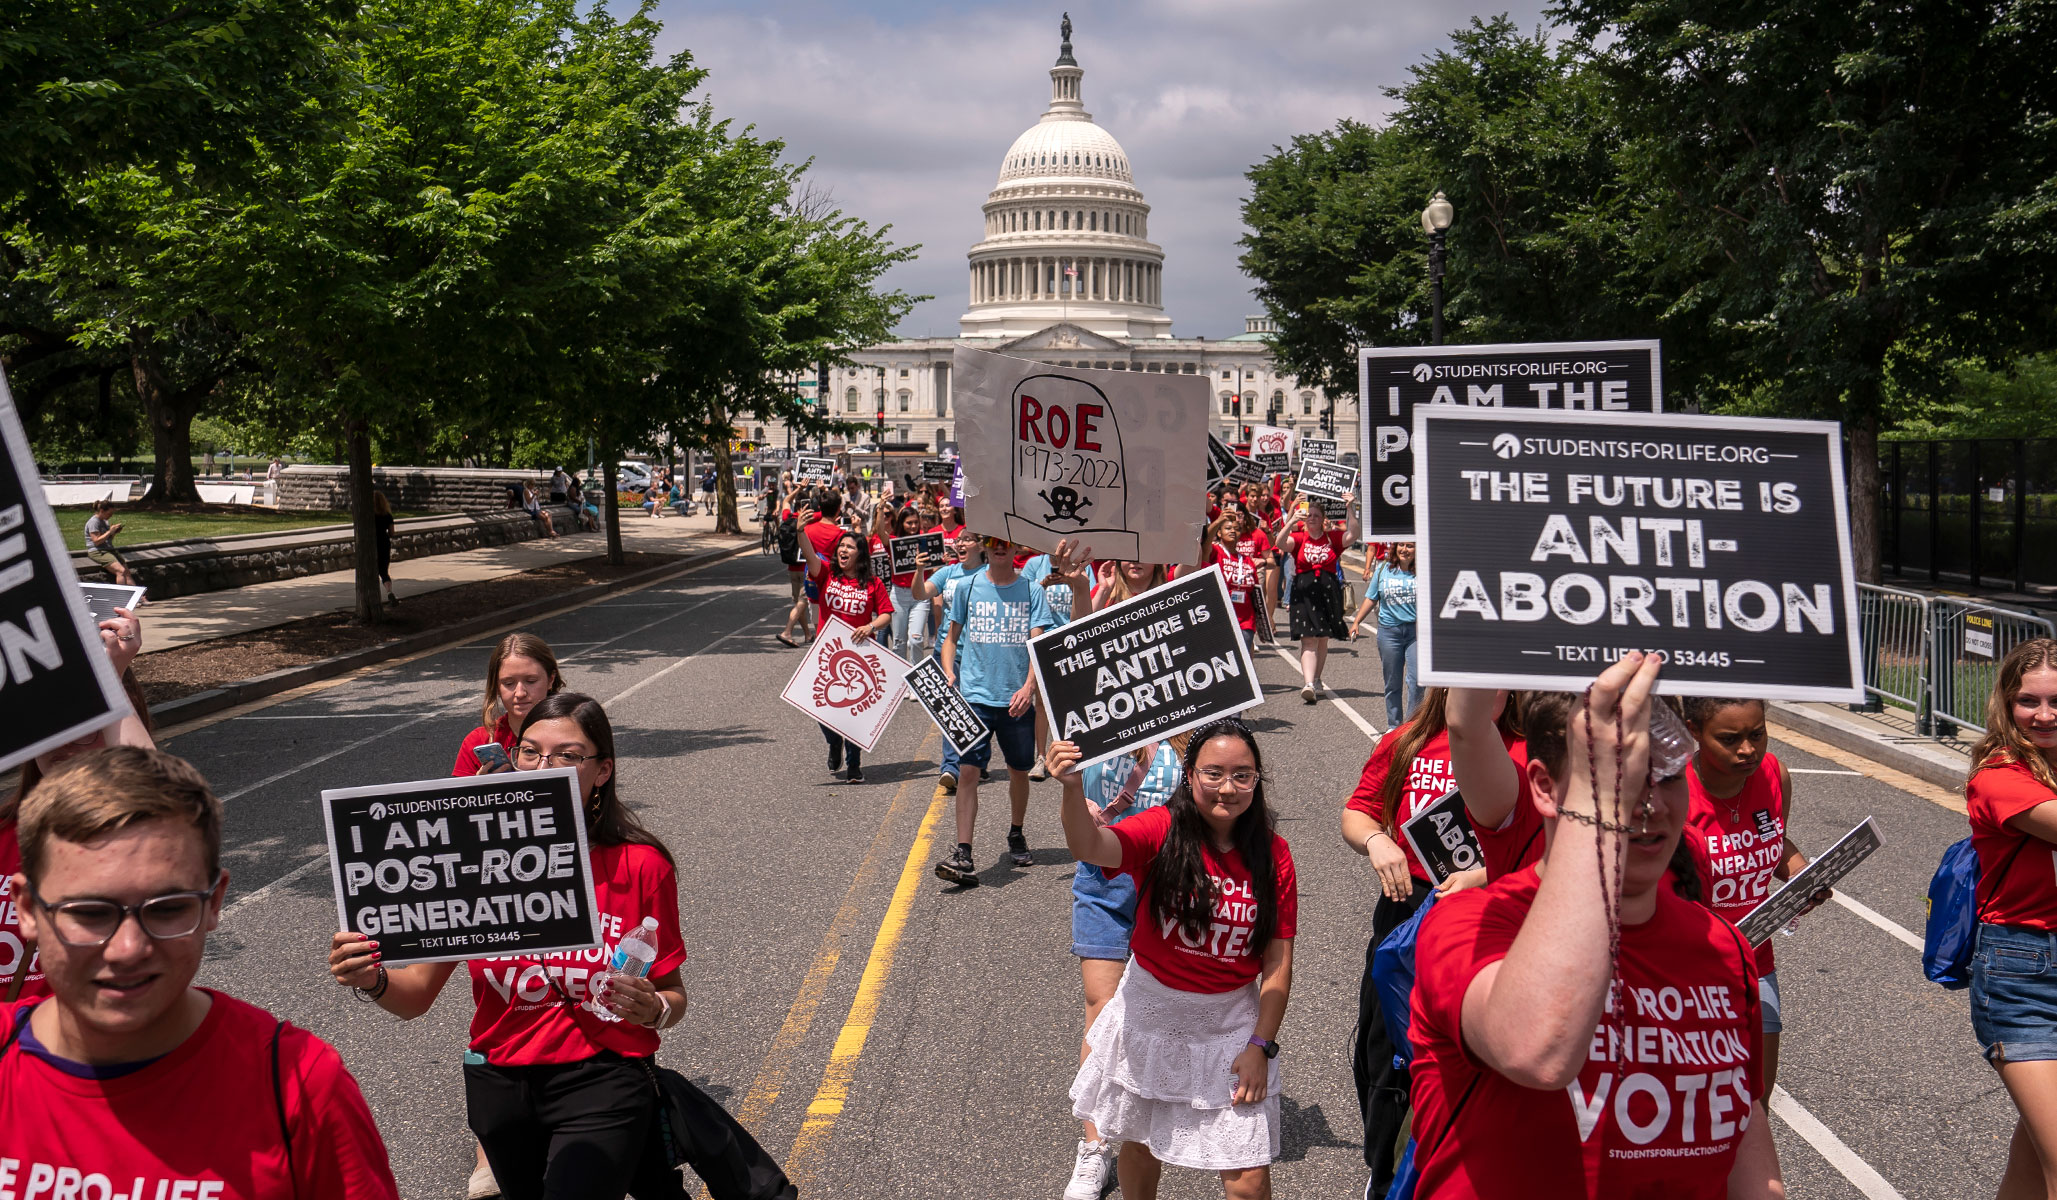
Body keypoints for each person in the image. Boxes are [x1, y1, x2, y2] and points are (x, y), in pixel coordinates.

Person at [1408, 654, 1782, 1199]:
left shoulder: (1721, 946)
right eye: (1618, 778)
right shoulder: (1473, 924)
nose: (1648, 804)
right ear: (1544, 788)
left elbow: (1743, 1122)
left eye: (1667, 776)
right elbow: (1538, 1051)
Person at [328, 694, 692, 1200]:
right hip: (500, 1087)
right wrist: (371, 978)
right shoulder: (474, 864)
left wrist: (654, 1009)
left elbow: (673, 995)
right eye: (530, 752)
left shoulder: (641, 865)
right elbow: (414, 997)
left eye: (568, 755)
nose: (544, 768)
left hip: (603, 1077)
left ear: (602, 770)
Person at [6, 746, 400, 1199]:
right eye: (90, 912)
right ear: (28, 909)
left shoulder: (299, 1088)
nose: (128, 949)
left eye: (167, 909)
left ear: (214, 902)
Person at [1054, 720, 1297, 1200]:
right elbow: (1091, 846)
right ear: (1189, 775)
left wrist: (1260, 1044)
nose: (1227, 788)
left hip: (1230, 1025)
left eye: (1242, 775)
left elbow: (1277, 963)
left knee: (1248, 1180)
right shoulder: (1161, 828)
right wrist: (1071, 788)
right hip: (1151, 1017)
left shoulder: (1274, 854)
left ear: (1257, 780)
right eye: (1213, 773)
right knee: (1142, 1146)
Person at [1340, 687, 1524, 1196]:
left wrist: (1485, 875)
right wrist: (1377, 840)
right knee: (1383, 1054)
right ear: (1445, 683)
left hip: (1490, 922)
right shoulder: (1406, 742)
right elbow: (1357, 812)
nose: (1485, 690)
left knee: (1463, 1061)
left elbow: (1550, 846)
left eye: (1497, 680)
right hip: (1407, 911)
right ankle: (1383, 1172)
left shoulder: (1527, 751)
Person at [3, 607, 155, 1003]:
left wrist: (111, 675)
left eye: (91, 723)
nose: (70, 742)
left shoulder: (126, 836)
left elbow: (152, 797)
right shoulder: (4, 830)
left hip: (83, 1036)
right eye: (55, 724)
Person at [1060, 734, 1188, 1199]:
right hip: (1105, 875)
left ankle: (1157, 1125)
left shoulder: (1194, 725)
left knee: (1168, 1009)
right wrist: (1072, 792)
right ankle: (1095, 1147)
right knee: (1102, 1006)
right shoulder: (1093, 720)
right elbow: (1074, 806)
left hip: (1172, 877)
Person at [1684, 695, 1826, 1097]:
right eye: (1730, 739)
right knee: (1697, 1102)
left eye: (1757, 734)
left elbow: (1773, 842)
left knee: (1754, 1101)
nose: (1748, 749)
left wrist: (1801, 875)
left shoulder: (1774, 774)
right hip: (1689, 970)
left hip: (1754, 960)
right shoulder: (1672, 792)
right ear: (1695, 732)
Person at [1960, 638, 2057, 1199]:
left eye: (2055, 701)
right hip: (2025, 977)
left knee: (2034, 1160)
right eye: (2028, 701)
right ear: (2005, 702)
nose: (2043, 715)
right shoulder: (1997, 776)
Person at [933, 536, 1062, 884]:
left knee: (1018, 771)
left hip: (1015, 701)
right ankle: (964, 852)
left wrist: (1029, 687)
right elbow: (951, 638)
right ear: (985, 547)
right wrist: (949, 670)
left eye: (1005, 541)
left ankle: (1016, 832)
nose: (999, 546)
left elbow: (1037, 643)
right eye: (992, 541)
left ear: (1016, 547)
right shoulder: (967, 587)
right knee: (968, 773)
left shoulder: (1032, 590)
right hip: (974, 697)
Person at [814, 531, 893, 783]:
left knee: (853, 711)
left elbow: (886, 614)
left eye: (849, 546)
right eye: (841, 546)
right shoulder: (827, 574)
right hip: (826, 652)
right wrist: (800, 531)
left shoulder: (872, 583)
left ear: (860, 554)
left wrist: (870, 627)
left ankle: (854, 764)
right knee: (820, 707)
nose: (843, 550)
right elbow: (809, 556)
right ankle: (834, 741)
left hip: (859, 655)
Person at [917, 527, 987, 792]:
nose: (960, 544)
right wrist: (919, 571)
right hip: (947, 651)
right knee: (951, 709)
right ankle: (950, 767)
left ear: (981, 546)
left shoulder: (989, 574)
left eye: (967, 540)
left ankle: (977, 759)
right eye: (958, 540)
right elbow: (920, 593)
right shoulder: (948, 572)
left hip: (978, 653)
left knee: (977, 709)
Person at [454, 633, 566, 777]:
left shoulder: (575, 734)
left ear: (551, 680)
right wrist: (480, 787)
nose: (520, 693)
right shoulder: (478, 741)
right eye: (508, 683)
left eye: (531, 681)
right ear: (496, 686)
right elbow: (458, 791)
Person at [1282, 495, 1357, 703]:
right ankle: (1308, 684)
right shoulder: (1299, 538)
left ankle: (1316, 679)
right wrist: (1291, 518)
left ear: (1324, 519)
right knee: (1308, 639)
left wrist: (1350, 508)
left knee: (1322, 638)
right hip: (1303, 594)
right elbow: (1280, 542)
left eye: (1316, 515)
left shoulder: (1332, 538)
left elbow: (1353, 534)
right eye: (1309, 515)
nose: (1312, 518)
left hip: (1327, 593)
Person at [1351, 542, 1419, 725]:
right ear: (1395, 548)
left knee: (1416, 681)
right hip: (1389, 633)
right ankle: (1394, 725)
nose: (1405, 550)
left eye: (1410, 546)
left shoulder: (1424, 571)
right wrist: (1357, 622)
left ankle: (1412, 726)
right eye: (1401, 545)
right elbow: (1371, 597)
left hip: (1416, 633)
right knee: (1392, 682)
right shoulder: (1383, 569)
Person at [885, 504, 934, 660]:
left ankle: (917, 671)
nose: (913, 526)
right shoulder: (894, 541)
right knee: (898, 643)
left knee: (916, 640)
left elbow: (934, 563)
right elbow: (880, 533)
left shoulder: (925, 540)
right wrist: (880, 509)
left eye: (916, 522)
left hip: (920, 595)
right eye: (909, 523)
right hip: (899, 595)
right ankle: (899, 673)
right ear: (902, 523)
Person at [83, 499, 134, 586]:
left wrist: (114, 532)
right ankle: (121, 594)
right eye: (109, 513)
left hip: (109, 549)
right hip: (98, 551)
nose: (111, 516)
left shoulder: (105, 521)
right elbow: (96, 541)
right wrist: (110, 531)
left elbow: (107, 539)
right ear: (102, 511)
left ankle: (138, 594)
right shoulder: (94, 522)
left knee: (127, 573)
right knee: (121, 571)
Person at [371, 491, 399, 606]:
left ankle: (372, 596)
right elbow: (392, 533)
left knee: (371, 570)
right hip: (384, 543)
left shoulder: (368, 515)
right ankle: (389, 592)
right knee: (383, 571)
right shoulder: (387, 515)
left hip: (372, 544)